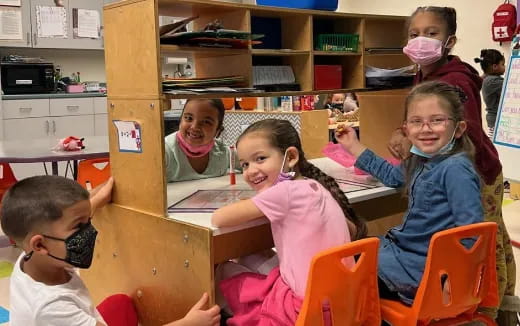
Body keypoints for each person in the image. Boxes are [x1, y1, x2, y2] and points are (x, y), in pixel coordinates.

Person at [389, 6, 518, 321]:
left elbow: (463, 133)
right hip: (455, 168)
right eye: (414, 33)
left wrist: (416, 143)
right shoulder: (425, 72)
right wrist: (402, 129)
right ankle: (503, 303)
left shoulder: (456, 82)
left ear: (449, 41)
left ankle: (492, 309)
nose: (421, 40)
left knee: (486, 242)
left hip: (477, 171)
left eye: (431, 33)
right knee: (494, 237)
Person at [0, 175, 221, 326]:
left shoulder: (32, 256)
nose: (89, 232)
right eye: (79, 226)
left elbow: (63, 224)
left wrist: (95, 201)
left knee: (120, 303)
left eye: (88, 221)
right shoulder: (51, 307)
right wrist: (187, 323)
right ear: (39, 245)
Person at [337, 81, 482, 305]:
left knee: (342, 278)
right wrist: (354, 146)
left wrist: (451, 283)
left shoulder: (455, 169)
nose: (426, 129)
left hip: (423, 270)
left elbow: (472, 234)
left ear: (459, 128)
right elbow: (393, 176)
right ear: (406, 129)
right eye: (416, 122)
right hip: (406, 255)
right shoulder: (422, 159)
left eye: (437, 120)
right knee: (347, 257)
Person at [211, 119, 366, 325]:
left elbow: (218, 218)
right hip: (342, 303)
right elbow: (351, 228)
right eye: (245, 164)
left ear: (291, 157)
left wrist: (261, 198)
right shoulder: (316, 186)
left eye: (260, 158)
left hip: (302, 310)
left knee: (222, 269)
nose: (250, 171)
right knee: (253, 254)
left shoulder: (283, 192)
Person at [165, 99, 231, 182]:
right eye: (189, 118)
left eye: (206, 122)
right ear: (180, 121)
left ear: (218, 131)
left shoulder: (223, 152)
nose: (195, 127)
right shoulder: (164, 153)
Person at [474, 49, 506, 138]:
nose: (505, 67)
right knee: (499, 146)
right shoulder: (493, 81)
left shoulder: (487, 78)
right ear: (495, 66)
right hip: (497, 120)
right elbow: (510, 86)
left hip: (494, 119)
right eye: (502, 64)